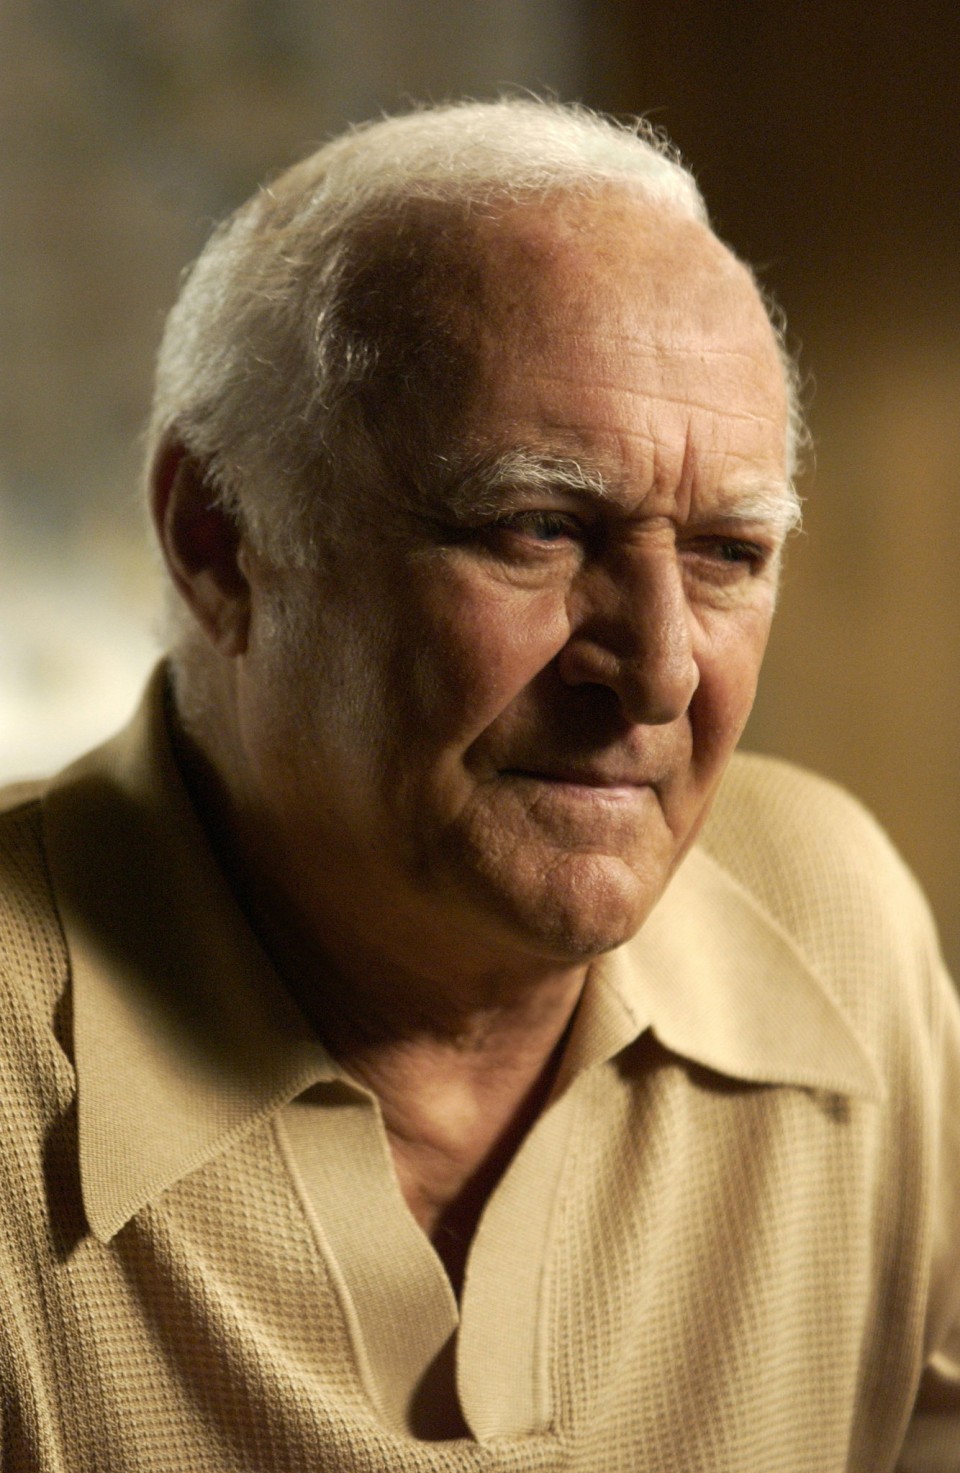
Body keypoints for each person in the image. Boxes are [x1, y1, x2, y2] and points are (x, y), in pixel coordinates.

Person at [1, 98, 957, 1472]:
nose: (662, 674)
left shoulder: (832, 914)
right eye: (538, 527)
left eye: (729, 554)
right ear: (220, 544)